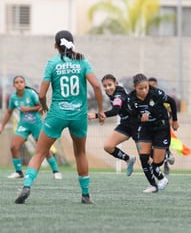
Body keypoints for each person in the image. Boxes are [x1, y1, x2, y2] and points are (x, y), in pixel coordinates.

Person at [15, 30, 105, 204]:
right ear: (73, 43)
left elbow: (41, 93)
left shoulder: (52, 63)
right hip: (79, 115)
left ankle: (26, 186)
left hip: (57, 114)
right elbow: (96, 86)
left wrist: (45, 107)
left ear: (56, 45)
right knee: (80, 153)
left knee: (40, 152)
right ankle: (85, 195)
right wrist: (100, 110)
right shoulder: (82, 62)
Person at [0, 75, 62, 180]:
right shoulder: (13, 98)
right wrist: (2, 126)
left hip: (36, 124)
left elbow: (40, 106)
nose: (19, 84)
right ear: (14, 85)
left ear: (24, 84)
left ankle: (56, 171)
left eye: (21, 82)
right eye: (17, 82)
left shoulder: (31, 94)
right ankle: (19, 172)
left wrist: (28, 109)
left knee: (44, 149)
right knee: (13, 146)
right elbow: (9, 112)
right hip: (23, 124)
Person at [129, 73, 179, 193]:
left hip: (161, 128)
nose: (144, 90)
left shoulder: (156, 93)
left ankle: (166, 157)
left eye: (146, 87)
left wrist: (175, 120)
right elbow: (131, 117)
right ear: (135, 87)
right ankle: (154, 185)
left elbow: (171, 102)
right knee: (144, 157)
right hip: (146, 128)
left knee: (157, 162)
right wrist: (140, 119)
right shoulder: (131, 99)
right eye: (141, 88)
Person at [88, 74, 136, 176]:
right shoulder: (111, 94)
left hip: (137, 124)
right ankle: (128, 159)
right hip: (125, 125)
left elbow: (115, 110)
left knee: (146, 156)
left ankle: (158, 175)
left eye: (110, 85)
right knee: (108, 146)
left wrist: (97, 115)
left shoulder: (119, 93)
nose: (107, 88)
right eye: (105, 86)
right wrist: (103, 116)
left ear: (116, 83)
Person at [148, 77, 175, 175]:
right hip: (152, 125)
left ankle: (166, 159)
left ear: (156, 85)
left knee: (162, 144)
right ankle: (165, 157)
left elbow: (170, 108)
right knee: (152, 146)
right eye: (149, 85)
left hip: (164, 124)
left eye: (153, 85)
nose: (151, 87)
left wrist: (172, 119)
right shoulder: (147, 97)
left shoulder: (160, 95)